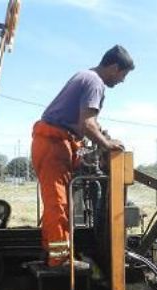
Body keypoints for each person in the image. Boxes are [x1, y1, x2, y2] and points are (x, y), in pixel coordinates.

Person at [31, 45, 134, 267]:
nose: (122, 80)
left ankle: (51, 253)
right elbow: (87, 124)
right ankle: (60, 260)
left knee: (58, 203)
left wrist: (102, 134)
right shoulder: (95, 82)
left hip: (54, 142)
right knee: (58, 204)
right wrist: (106, 144)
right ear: (114, 67)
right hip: (53, 143)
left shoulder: (85, 76)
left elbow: (87, 122)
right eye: (123, 74)